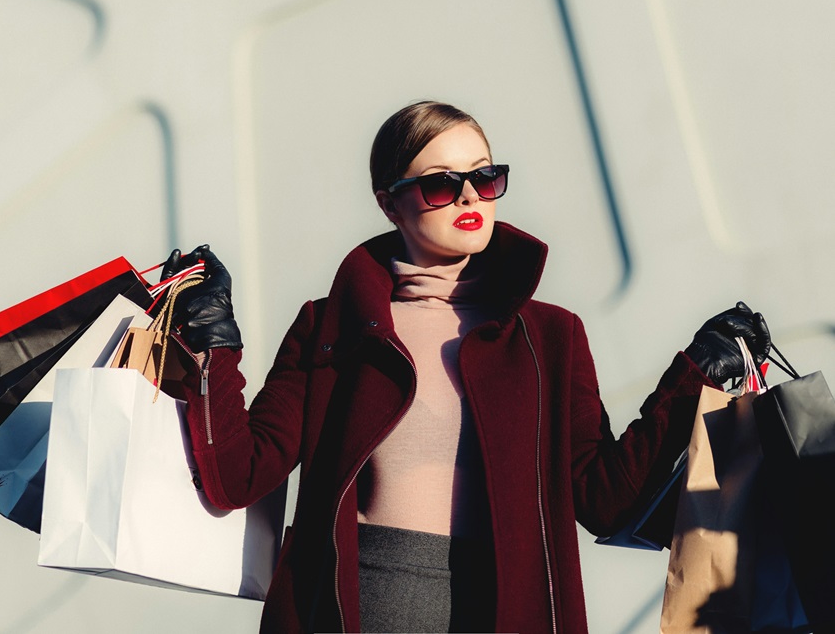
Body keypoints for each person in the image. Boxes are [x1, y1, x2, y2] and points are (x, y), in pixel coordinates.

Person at [161, 100, 771, 633]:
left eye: (485, 176)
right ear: (389, 203)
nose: (471, 198)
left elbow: (603, 499)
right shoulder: (332, 326)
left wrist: (694, 375)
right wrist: (214, 342)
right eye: (440, 185)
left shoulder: (550, 336)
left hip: (507, 610)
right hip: (354, 610)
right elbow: (238, 475)